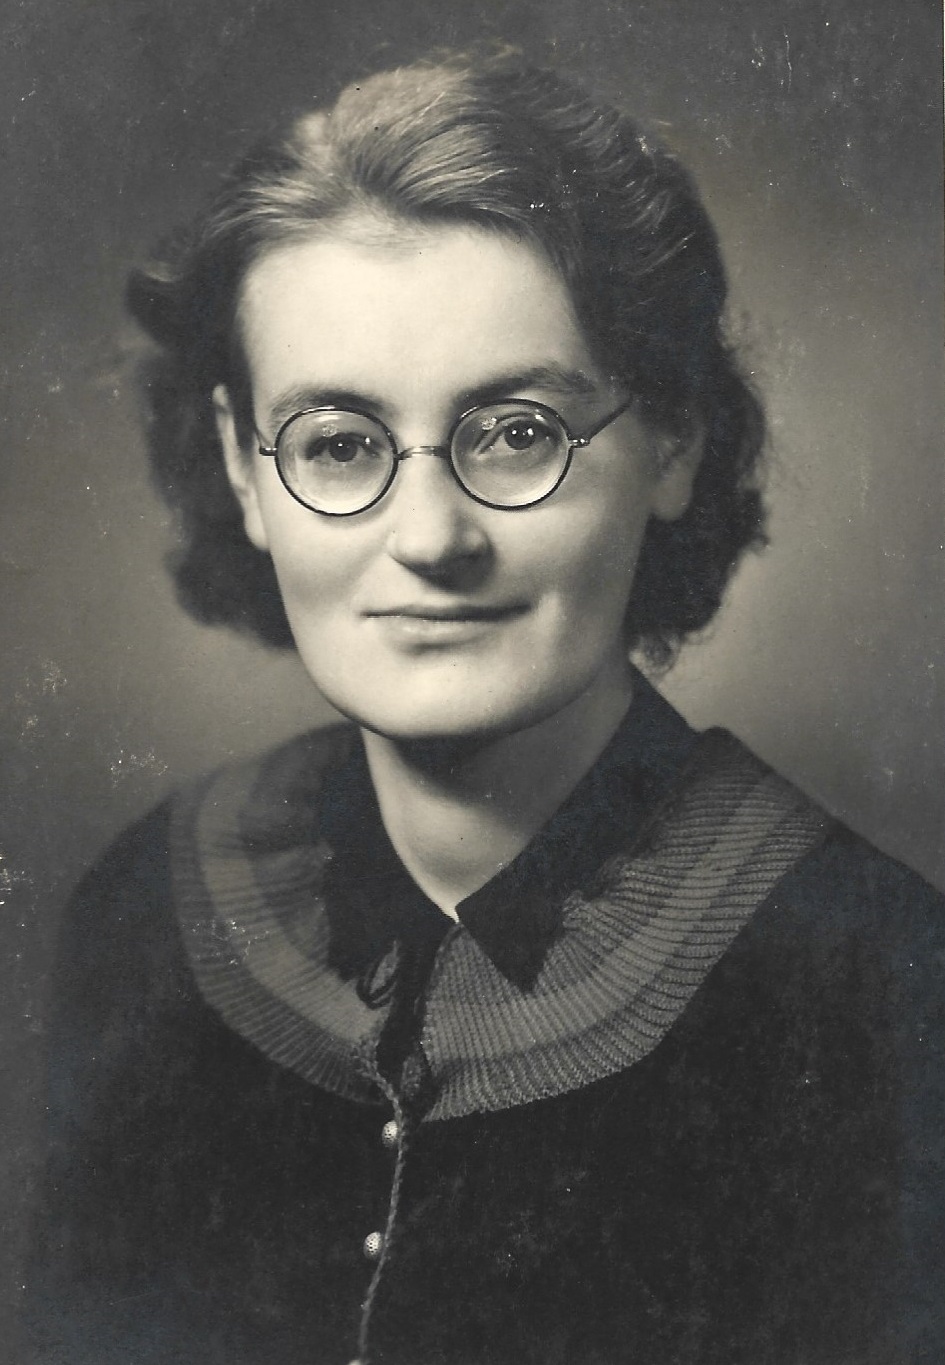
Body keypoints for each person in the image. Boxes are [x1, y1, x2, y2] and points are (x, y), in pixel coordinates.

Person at [27, 49, 943, 1365]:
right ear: (242, 468)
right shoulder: (143, 914)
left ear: (674, 440)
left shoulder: (879, 990)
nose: (430, 537)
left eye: (516, 432)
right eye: (339, 443)